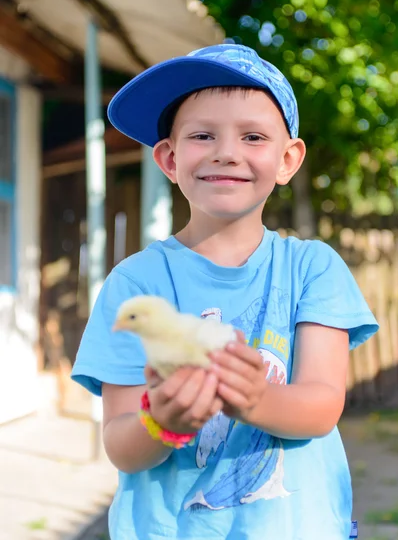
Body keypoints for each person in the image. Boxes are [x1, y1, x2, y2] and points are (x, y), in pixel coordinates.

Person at [71, 44, 378, 540]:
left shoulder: (313, 268)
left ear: (287, 159)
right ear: (170, 159)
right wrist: (162, 422)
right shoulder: (135, 284)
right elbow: (121, 445)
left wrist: (252, 398)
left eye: (253, 136)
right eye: (202, 135)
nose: (226, 152)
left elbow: (322, 406)